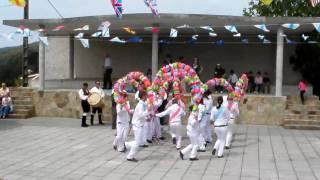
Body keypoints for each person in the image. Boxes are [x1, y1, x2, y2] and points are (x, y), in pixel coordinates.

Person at [125, 91, 149, 162]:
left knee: (138, 141)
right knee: (137, 142)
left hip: (139, 124)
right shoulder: (140, 105)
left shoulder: (143, 104)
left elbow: (142, 115)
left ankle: (125, 144)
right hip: (137, 125)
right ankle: (130, 156)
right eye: (146, 95)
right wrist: (148, 111)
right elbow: (140, 115)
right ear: (143, 96)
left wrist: (147, 117)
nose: (147, 96)